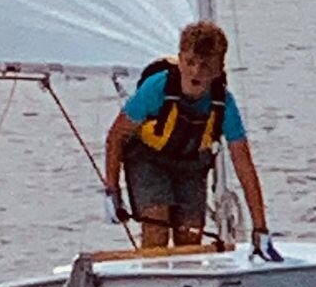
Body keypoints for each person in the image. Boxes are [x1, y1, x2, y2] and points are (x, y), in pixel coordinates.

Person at [102, 19, 278, 257]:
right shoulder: (157, 88)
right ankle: (152, 283)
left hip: (190, 166)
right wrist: (112, 191)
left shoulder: (224, 103)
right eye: (190, 62)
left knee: (190, 236)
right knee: (157, 226)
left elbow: (244, 165)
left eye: (206, 66)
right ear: (180, 59)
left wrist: (260, 227)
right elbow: (116, 136)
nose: (196, 72)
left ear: (219, 69)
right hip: (148, 160)